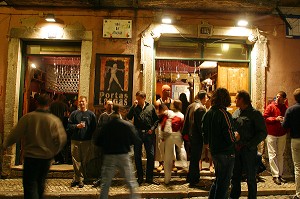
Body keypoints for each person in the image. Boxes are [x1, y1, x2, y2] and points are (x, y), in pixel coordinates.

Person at [3, 94, 67, 199]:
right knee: (41, 183)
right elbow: (62, 139)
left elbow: (15, 134)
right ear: (49, 104)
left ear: (37, 103)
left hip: (31, 157)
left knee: (30, 185)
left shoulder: (28, 118)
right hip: (46, 158)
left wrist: (5, 145)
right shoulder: (53, 120)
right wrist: (54, 152)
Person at [93, 106, 141, 199]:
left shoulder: (106, 126)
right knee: (130, 181)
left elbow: (97, 141)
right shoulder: (127, 125)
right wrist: (127, 143)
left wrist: (106, 145)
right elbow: (136, 140)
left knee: (105, 182)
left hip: (109, 155)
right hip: (123, 154)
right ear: (120, 113)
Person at [202, 87, 239, 199]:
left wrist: (207, 144)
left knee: (219, 180)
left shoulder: (208, 113)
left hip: (215, 152)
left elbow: (204, 131)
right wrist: (236, 137)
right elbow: (229, 134)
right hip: (226, 152)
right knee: (224, 183)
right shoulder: (224, 114)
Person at [229, 90, 267, 199]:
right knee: (235, 176)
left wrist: (250, 144)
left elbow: (262, 132)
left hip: (248, 151)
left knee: (250, 177)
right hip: (236, 150)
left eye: (236, 98)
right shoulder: (236, 113)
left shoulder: (255, 114)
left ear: (242, 99)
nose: (234, 100)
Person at [126, 91, 159, 185]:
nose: (137, 100)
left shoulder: (151, 107)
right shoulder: (135, 108)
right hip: (138, 134)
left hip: (148, 134)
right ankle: (140, 177)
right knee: (137, 155)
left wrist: (152, 129)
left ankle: (149, 177)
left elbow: (156, 120)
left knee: (151, 155)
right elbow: (128, 117)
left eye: (139, 98)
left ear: (144, 98)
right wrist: (133, 106)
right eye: (136, 98)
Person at [68, 96, 97, 188]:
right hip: (75, 140)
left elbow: (94, 127)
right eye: (80, 102)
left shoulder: (91, 114)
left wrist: (91, 137)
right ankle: (79, 179)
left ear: (86, 102)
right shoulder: (74, 114)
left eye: (83, 102)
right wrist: (77, 126)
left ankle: (79, 178)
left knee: (85, 160)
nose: (81, 103)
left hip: (86, 141)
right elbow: (69, 126)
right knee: (76, 160)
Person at [182, 90, 207, 188]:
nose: (207, 99)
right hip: (197, 137)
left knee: (193, 158)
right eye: (206, 97)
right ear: (203, 97)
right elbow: (201, 126)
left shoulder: (190, 106)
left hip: (190, 136)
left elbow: (186, 121)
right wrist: (205, 138)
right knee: (195, 158)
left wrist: (185, 134)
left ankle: (190, 177)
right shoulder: (200, 108)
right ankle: (194, 179)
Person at [160, 100, 187, 184]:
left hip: (169, 136)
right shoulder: (182, 115)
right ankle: (184, 164)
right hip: (177, 134)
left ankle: (167, 179)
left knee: (168, 158)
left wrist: (162, 136)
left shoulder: (168, 113)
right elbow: (183, 127)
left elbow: (163, 124)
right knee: (182, 148)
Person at [263, 91, 288, 185]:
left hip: (282, 133)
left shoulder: (285, 108)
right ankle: (275, 175)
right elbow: (265, 117)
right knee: (272, 154)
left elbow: (288, 119)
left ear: (284, 99)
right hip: (271, 133)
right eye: (277, 97)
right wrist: (275, 119)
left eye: (280, 97)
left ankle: (280, 175)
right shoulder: (271, 106)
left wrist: (285, 121)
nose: (277, 99)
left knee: (280, 154)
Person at [282, 88, 300, 199]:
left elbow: (285, 125)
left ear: (294, 97)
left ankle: (299, 193)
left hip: (296, 139)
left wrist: (281, 121)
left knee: (298, 167)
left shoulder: (291, 109)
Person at [93, 100, 114, 187]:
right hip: (104, 142)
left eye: (112, 104)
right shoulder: (102, 116)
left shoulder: (116, 115)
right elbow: (99, 128)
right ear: (105, 106)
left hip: (112, 143)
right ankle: (101, 178)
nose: (110, 106)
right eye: (109, 104)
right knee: (102, 161)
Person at [155, 84, 174, 172]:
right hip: (161, 125)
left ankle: (172, 163)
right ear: (163, 91)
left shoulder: (172, 101)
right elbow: (156, 115)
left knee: (171, 145)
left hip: (169, 125)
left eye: (169, 90)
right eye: (167, 90)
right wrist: (164, 113)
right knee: (161, 145)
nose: (169, 92)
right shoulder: (158, 102)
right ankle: (161, 163)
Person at [50, 94, 69, 165]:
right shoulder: (65, 105)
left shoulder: (52, 104)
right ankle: (63, 158)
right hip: (62, 125)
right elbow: (67, 115)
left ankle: (58, 159)